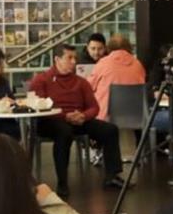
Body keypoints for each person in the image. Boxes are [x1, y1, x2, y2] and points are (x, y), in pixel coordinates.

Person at [30, 44, 125, 196]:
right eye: (70, 58)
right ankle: (62, 182)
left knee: (110, 129)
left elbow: (94, 107)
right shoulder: (41, 80)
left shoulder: (81, 82)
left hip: (78, 120)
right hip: (51, 120)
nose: (74, 61)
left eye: (75, 58)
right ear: (57, 59)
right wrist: (64, 116)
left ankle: (112, 176)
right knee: (64, 132)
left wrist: (83, 116)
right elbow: (37, 108)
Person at [88, 34, 146, 124]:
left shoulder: (103, 63)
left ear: (109, 48)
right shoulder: (138, 65)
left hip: (105, 118)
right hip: (134, 117)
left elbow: (88, 88)